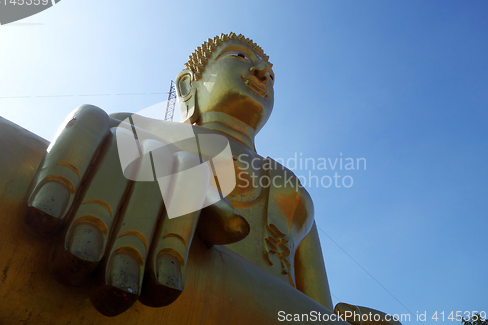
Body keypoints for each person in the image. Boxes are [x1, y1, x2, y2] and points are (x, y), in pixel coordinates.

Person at [20, 32, 399, 324]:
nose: (262, 72)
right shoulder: (139, 136)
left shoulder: (294, 191)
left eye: (271, 72)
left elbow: (313, 308)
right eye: (239, 57)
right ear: (188, 85)